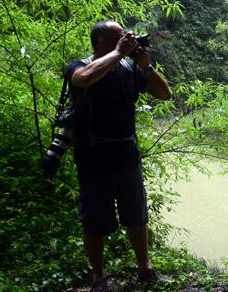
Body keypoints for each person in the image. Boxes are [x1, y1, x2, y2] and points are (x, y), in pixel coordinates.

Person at [66, 20, 172, 289]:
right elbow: (86, 78)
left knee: (137, 214)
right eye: (120, 36)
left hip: (126, 155)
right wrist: (118, 54)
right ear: (102, 41)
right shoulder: (79, 65)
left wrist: (145, 65)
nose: (127, 38)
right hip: (93, 157)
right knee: (94, 221)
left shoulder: (129, 68)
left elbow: (164, 93)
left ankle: (145, 268)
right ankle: (99, 276)